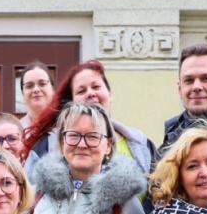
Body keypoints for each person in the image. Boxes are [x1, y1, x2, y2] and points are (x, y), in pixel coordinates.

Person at [23, 60, 154, 180]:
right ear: (72, 102)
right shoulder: (48, 143)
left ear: (109, 94)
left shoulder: (140, 143)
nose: (90, 93)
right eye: (81, 91)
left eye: (96, 87)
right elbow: (27, 195)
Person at [18, 62, 54, 129]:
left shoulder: (66, 126)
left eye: (42, 84)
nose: (36, 89)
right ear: (23, 94)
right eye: (29, 86)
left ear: (53, 90)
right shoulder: (17, 131)